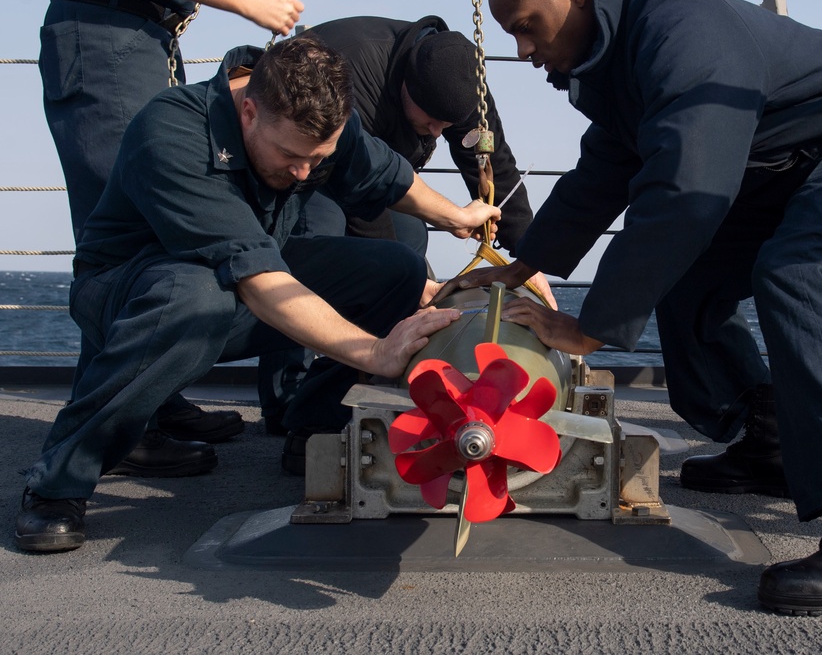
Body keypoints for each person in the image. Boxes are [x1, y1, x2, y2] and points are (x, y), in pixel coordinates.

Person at [450, 0, 822, 615]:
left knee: (796, 272)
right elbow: (604, 171)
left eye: (527, 27)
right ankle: (772, 439)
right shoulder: (622, 53)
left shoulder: (681, 35)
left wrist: (589, 329)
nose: (524, 50)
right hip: (788, 162)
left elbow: (684, 190)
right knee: (686, 279)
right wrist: (521, 266)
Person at [15, 34, 499, 553]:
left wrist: (458, 217)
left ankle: (314, 429)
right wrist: (375, 352)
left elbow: (385, 176)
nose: (304, 172)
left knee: (396, 270)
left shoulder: (315, 124)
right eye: (290, 156)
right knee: (196, 294)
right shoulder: (171, 130)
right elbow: (258, 279)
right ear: (249, 112)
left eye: (318, 158)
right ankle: (58, 482)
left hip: (238, 284)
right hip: (135, 294)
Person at [39, 0, 305, 468]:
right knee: (132, 238)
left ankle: (152, 398)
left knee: (161, 238)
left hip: (143, 38)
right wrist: (248, 1)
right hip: (108, 33)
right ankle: (119, 428)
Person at [256, 16, 555, 439]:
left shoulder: (460, 82)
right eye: (430, 121)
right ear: (405, 88)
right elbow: (359, 191)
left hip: (382, 176)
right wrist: (403, 284)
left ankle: (345, 383)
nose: (437, 132)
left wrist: (529, 257)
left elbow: (495, 166)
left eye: (447, 126)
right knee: (328, 249)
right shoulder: (353, 71)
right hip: (312, 170)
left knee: (411, 238)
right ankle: (285, 397)